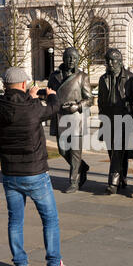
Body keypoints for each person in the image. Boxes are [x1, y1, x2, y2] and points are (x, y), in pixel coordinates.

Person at [0, 67, 74, 266]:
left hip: (10, 172)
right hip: (35, 172)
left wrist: (30, 97)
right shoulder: (33, 107)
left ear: (5, 85)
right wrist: (52, 94)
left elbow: (15, 107)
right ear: (24, 84)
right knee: (50, 219)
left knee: (15, 221)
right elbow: (53, 108)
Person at [48, 47, 92, 193]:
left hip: (76, 118)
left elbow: (89, 99)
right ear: (63, 58)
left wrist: (77, 106)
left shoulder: (82, 76)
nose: (72, 60)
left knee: (75, 152)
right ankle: (82, 167)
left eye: (75, 58)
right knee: (62, 150)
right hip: (59, 117)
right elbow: (50, 94)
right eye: (69, 57)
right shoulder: (54, 76)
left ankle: (74, 182)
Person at [98, 48, 133, 195]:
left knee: (117, 151)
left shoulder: (130, 78)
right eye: (107, 60)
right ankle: (122, 178)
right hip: (108, 119)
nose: (109, 63)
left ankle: (113, 183)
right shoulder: (103, 78)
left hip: (124, 119)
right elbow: (100, 100)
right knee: (113, 152)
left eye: (112, 60)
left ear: (120, 61)